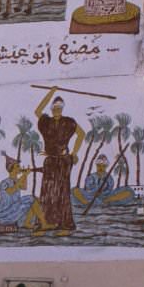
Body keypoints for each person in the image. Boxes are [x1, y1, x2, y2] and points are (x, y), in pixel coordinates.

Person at [34, 88, 85, 235]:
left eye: (59, 108)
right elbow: (37, 111)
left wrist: (74, 153)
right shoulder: (46, 122)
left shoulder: (69, 122)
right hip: (50, 161)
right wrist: (51, 91)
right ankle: (46, 223)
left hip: (63, 161)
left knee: (62, 192)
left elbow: (81, 134)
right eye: (55, 107)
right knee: (47, 192)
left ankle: (65, 225)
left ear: (62, 109)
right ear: (52, 108)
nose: (57, 110)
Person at [0, 156, 53, 235]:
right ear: (11, 169)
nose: (20, 168)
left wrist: (25, 175)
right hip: (6, 213)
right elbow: (11, 191)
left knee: (34, 199)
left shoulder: (16, 180)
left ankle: (27, 222)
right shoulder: (4, 183)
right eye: (17, 166)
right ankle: (43, 224)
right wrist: (24, 176)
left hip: (15, 207)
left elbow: (24, 187)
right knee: (31, 199)